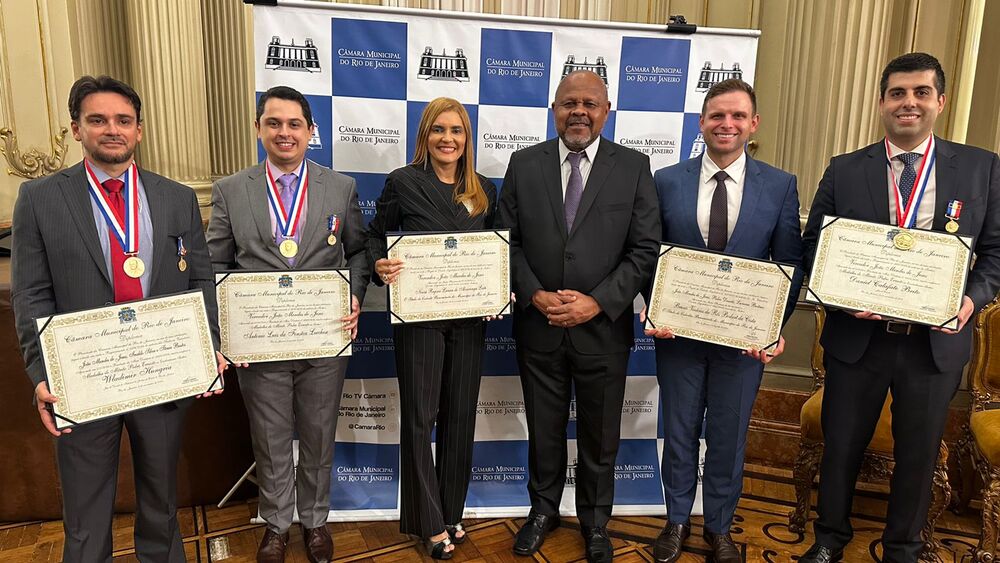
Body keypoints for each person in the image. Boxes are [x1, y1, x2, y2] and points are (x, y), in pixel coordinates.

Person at [10, 75, 226, 563]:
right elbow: (31, 293)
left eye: (123, 120)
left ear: (139, 130)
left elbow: (200, 281)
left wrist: (205, 346)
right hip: (83, 378)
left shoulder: (176, 197)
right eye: (98, 120)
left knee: (161, 499)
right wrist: (41, 374)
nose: (112, 129)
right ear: (75, 129)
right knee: (85, 511)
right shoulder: (40, 199)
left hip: (163, 371)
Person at [798, 52, 1000, 563]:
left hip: (933, 344)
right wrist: (843, 296)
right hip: (857, 338)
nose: (908, 103)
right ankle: (828, 540)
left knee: (919, 454)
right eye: (897, 93)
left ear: (940, 101)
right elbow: (813, 248)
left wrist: (970, 299)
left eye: (920, 93)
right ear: (882, 102)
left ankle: (903, 549)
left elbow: (996, 253)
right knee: (841, 446)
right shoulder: (844, 170)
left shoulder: (981, 168)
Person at [499, 70, 661, 563]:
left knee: (600, 436)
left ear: (606, 111)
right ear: (554, 109)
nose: (579, 112)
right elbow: (508, 242)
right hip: (539, 327)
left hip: (603, 331)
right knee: (543, 432)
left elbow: (644, 248)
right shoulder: (523, 164)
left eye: (590, 103)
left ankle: (595, 522)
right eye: (569, 102)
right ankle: (542, 512)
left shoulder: (634, 166)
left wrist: (598, 301)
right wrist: (533, 295)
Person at [205, 85, 369, 563]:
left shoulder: (339, 187)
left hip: (323, 337)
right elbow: (215, 265)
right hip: (259, 343)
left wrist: (355, 294)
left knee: (318, 435)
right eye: (273, 123)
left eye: (294, 124)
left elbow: (358, 250)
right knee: (271, 438)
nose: (284, 132)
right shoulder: (231, 190)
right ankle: (276, 524)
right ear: (258, 129)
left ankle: (315, 522)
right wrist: (228, 327)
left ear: (310, 131)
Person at [643, 79, 803, 563]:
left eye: (737, 116)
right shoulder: (666, 180)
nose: (726, 124)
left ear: (753, 124)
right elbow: (650, 257)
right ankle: (675, 522)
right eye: (717, 116)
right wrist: (655, 307)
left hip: (744, 345)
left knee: (729, 439)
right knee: (679, 432)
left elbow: (789, 265)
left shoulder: (780, 185)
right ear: (702, 123)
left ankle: (719, 529)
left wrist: (772, 328)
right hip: (679, 339)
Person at [366, 97, 498, 560]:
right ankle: (429, 522)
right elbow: (372, 238)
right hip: (419, 321)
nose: (448, 139)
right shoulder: (403, 182)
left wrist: (498, 288)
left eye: (457, 130)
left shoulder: (483, 190)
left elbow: (497, 253)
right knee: (420, 420)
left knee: (461, 415)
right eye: (439, 129)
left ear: (467, 138)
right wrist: (379, 265)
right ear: (425, 135)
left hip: (469, 321)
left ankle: (451, 510)